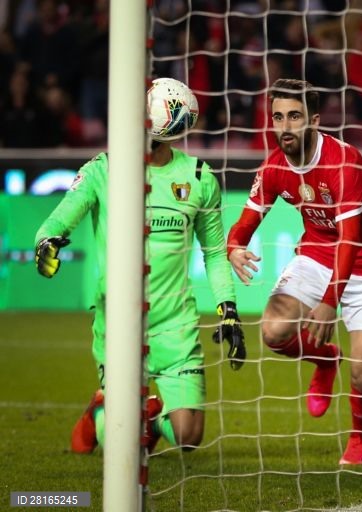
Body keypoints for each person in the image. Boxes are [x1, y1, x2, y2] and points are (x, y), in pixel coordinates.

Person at [34, 77, 246, 454]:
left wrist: (227, 307)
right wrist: (46, 242)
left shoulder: (198, 178)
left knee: (188, 436)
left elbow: (214, 252)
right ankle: (104, 412)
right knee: (120, 443)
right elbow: (56, 222)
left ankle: (142, 416)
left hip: (175, 323)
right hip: (118, 320)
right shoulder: (102, 169)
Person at [227, 78, 362, 465]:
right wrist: (233, 245)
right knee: (273, 331)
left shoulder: (344, 161)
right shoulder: (274, 165)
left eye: (294, 117)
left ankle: (360, 438)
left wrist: (328, 302)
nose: (284, 127)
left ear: (314, 120)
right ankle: (325, 358)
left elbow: (352, 239)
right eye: (277, 117)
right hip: (319, 252)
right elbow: (247, 218)